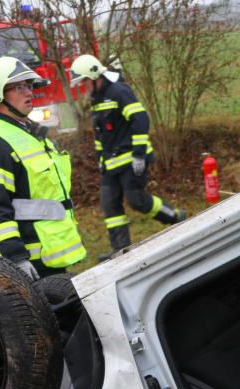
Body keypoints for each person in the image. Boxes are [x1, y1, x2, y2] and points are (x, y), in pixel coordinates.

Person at [0, 56, 85, 278]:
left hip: (50, 251)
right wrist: (16, 257)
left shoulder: (29, 132)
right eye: (19, 87)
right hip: (30, 260)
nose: (29, 92)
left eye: (29, 86)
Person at [68, 54, 187, 261]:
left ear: (95, 76)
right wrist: (100, 159)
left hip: (131, 160)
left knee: (137, 201)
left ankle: (175, 217)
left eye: (85, 81)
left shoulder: (119, 92)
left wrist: (139, 155)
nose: (83, 86)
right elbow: (101, 134)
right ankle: (121, 250)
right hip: (111, 164)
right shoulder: (97, 99)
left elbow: (140, 120)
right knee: (109, 204)